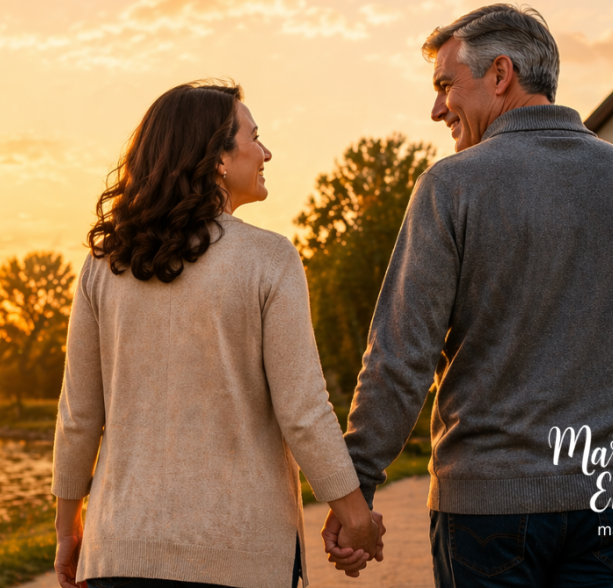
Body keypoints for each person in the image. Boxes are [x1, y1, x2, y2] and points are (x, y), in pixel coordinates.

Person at [328, 5, 613, 586]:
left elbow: (401, 357)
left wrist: (357, 486)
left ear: (501, 75)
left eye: (447, 85)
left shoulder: (451, 186)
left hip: (486, 510)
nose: (437, 108)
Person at [50, 80, 384, 588]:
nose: (266, 151)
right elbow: (303, 410)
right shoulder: (270, 259)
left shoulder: (104, 265)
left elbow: (78, 416)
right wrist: (355, 515)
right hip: (239, 560)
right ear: (218, 159)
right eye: (254, 136)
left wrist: (68, 529)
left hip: (117, 552)